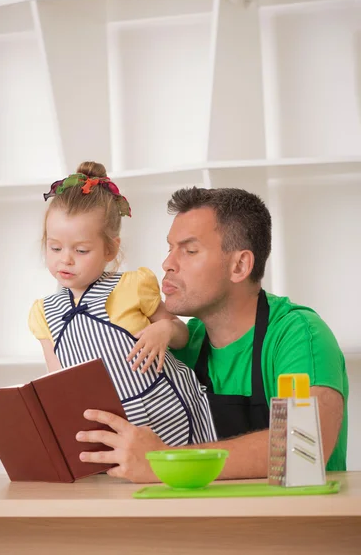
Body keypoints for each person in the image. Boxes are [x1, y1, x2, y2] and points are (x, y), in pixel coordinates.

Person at [76, 186, 348, 482]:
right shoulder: (177, 344)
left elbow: (304, 445)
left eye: (190, 251)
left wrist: (165, 462)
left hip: (290, 525)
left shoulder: (297, 335)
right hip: (204, 526)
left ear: (240, 265)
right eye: (170, 248)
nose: (168, 263)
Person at [28, 162, 217, 446]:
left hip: (166, 412)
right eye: (55, 247)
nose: (65, 259)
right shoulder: (44, 313)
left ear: (110, 249)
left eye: (81, 250)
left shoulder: (132, 286)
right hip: (109, 427)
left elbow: (181, 335)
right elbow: (58, 383)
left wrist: (164, 330)